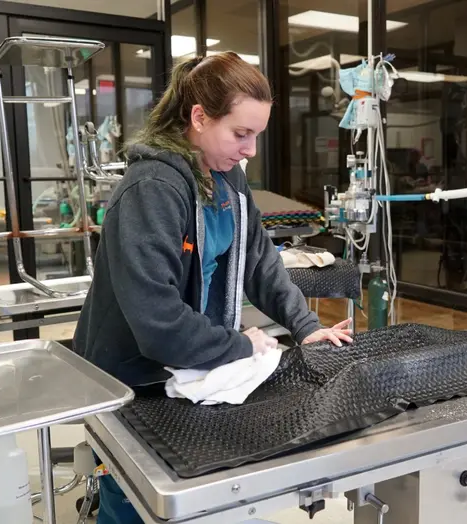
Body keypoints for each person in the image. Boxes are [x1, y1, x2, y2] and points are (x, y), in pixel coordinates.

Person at [73, 52, 353, 523]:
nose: (250, 150)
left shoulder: (228, 178)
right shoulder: (154, 190)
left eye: (256, 136)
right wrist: (240, 344)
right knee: (137, 495)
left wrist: (305, 327)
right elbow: (158, 321)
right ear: (199, 118)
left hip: (191, 365)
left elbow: (260, 262)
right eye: (241, 134)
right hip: (136, 378)